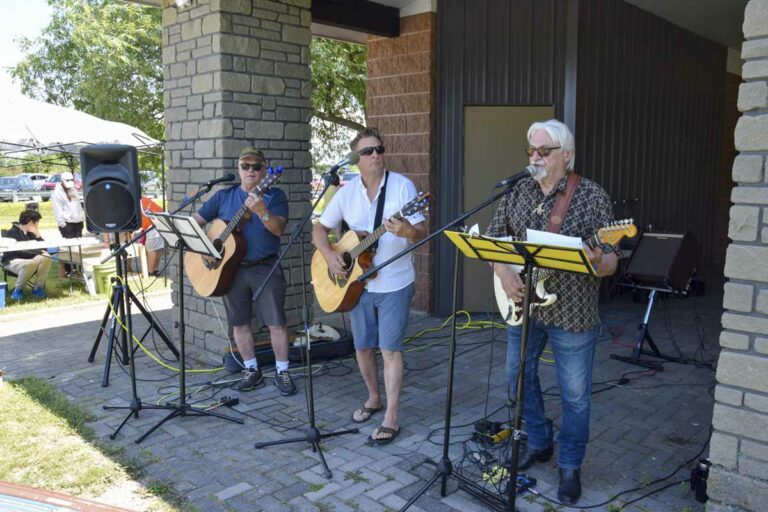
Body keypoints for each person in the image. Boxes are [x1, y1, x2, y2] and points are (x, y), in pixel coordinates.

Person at [488, 119, 618, 505]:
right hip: (523, 305)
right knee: (516, 376)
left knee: (575, 394)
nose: (535, 158)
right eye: (530, 151)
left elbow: (610, 261)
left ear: (567, 155)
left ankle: (570, 464)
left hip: (573, 313)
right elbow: (495, 240)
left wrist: (598, 260)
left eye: (543, 151)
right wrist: (506, 275)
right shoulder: (518, 191)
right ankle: (540, 440)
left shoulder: (592, 195)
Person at [312, 127, 427, 445]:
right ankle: (373, 398)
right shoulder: (346, 192)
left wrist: (406, 231)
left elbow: (421, 232)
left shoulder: (403, 187)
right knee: (363, 346)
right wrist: (330, 256)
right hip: (357, 284)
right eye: (367, 151)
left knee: (390, 349)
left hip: (395, 283)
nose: (375, 155)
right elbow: (319, 229)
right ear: (355, 160)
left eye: (379, 149)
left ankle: (392, 415)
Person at [192, 147, 296, 396]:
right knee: (239, 324)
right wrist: (205, 248)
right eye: (245, 165)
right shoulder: (223, 197)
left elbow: (279, 229)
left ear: (265, 171)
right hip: (230, 269)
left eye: (256, 166)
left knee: (276, 324)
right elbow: (194, 222)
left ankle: (282, 371)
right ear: (238, 169)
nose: (251, 170)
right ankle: (251, 370)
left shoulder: (275, 195)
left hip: (264, 266)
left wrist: (262, 211)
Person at [2, 209, 51, 300]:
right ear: (30, 222)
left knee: (46, 257)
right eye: (36, 222)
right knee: (30, 263)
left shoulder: (31, 233)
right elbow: (21, 252)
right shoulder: (12, 233)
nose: (37, 225)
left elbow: (44, 248)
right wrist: (39, 252)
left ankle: (38, 287)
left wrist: (38, 235)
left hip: (29, 260)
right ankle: (17, 290)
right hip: (12, 261)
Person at [52, 171, 84, 276]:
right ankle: (69, 270)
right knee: (69, 249)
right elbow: (57, 210)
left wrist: (81, 218)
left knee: (78, 248)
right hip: (67, 224)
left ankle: (78, 269)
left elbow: (78, 205)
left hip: (78, 222)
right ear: (62, 181)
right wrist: (63, 225)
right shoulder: (57, 193)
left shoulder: (73, 189)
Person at [137, 196, 164, 276]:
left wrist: (138, 229)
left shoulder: (136, 202)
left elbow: (143, 219)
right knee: (157, 248)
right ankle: (155, 269)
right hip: (160, 221)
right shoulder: (141, 199)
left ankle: (149, 271)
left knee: (151, 249)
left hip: (153, 224)